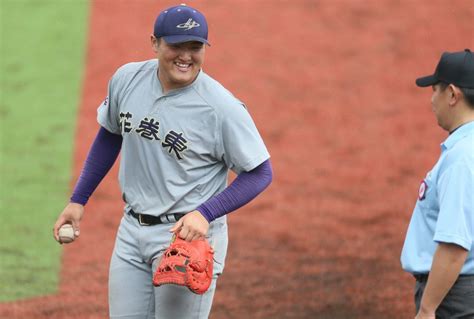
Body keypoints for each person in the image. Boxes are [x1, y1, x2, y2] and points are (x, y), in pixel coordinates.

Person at [53, 4, 273, 318]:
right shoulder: (127, 79)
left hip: (186, 239)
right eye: (175, 45)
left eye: (195, 47)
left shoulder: (221, 108)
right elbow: (111, 133)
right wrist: (78, 200)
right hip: (131, 231)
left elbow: (261, 172)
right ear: (155, 43)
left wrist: (205, 213)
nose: (186, 56)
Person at [401, 49, 474, 319]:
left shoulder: (462, 158)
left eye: (435, 90)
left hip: (455, 299)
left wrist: (428, 308)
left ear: (453, 94)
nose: (432, 100)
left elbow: (454, 246)